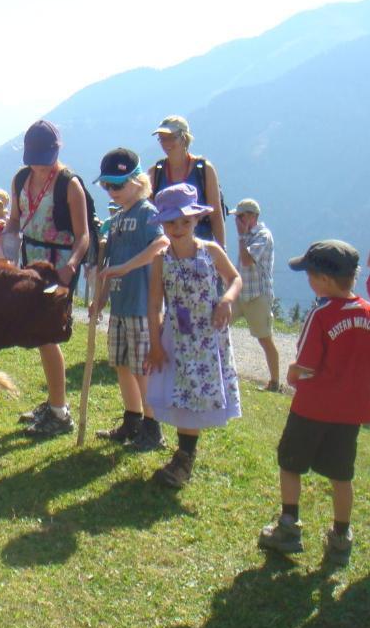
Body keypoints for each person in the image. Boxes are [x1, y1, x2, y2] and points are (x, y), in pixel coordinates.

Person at [258, 240, 370, 565]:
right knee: (342, 475)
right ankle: (341, 538)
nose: (309, 282)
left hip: (312, 409)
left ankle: (288, 527)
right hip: (351, 413)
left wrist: (291, 374)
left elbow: (306, 365)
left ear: (324, 280)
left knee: (290, 464)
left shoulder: (322, 313)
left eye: (310, 275)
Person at [144, 183, 242, 488]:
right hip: (177, 336)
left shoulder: (210, 252)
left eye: (184, 221)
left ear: (195, 221)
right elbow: (154, 303)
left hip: (207, 338)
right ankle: (183, 456)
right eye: (171, 222)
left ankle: (185, 457)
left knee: (197, 392)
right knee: (180, 392)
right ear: (162, 223)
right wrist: (156, 343)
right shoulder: (162, 258)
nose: (178, 228)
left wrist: (226, 300)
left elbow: (234, 278)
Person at [2, 120, 90, 437]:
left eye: (44, 158)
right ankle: (55, 402)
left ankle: (59, 412)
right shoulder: (21, 179)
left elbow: (83, 236)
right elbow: (14, 221)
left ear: (56, 152)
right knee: (41, 336)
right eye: (34, 158)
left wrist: (71, 268)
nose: (38, 165)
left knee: (47, 335)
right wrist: (10, 252)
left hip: (59, 266)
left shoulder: (69, 185)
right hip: (31, 264)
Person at [91, 149, 169, 451]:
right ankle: (132, 418)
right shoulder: (119, 218)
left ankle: (153, 428)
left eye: (117, 185)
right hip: (121, 306)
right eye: (107, 186)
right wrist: (100, 300)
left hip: (141, 307)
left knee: (141, 368)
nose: (112, 192)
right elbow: (109, 267)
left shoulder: (148, 213)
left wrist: (126, 267)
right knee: (121, 364)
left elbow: (161, 243)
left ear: (138, 181)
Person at [149, 115, 226, 249]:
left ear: (184, 138)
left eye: (171, 137)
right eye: (162, 139)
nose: (166, 143)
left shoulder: (204, 170)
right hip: (168, 253)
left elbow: (215, 215)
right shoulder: (155, 173)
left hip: (201, 250)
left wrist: (221, 251)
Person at [228, 198, 280, 391]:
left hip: (258, 295)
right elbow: (240, 266)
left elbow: (247, 260)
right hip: (241, 295)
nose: (237, 221)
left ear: (252, 217)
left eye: (240, 216)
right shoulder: (248, 236)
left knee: (265, 338)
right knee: (216, 326)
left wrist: (241, 237)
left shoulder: (262, 236)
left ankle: (274, 382)